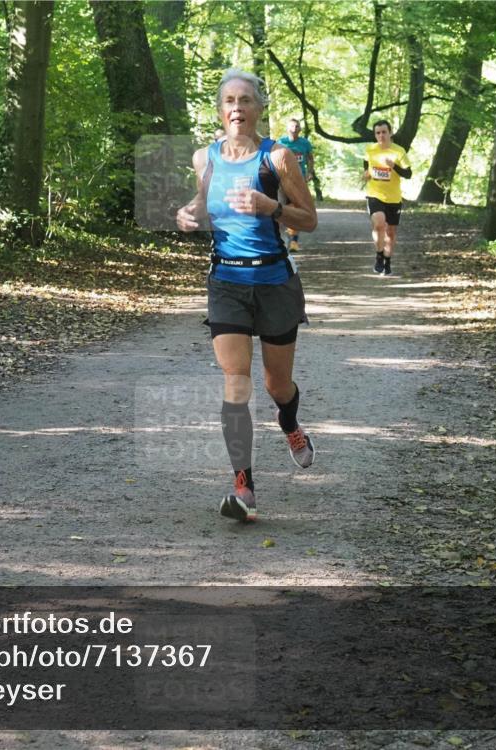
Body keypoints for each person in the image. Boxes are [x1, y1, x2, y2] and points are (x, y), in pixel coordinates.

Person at [176, 69, 317, 523]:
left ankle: (289, 423)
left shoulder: (278, 159)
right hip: (227, 283)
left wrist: (271, 206)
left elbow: (309, 220)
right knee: (236, 382)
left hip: (274, 282)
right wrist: (190, 213)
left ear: (259, 108)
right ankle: (244, 485)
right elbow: (203, 202)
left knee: (277, 385)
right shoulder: (206, 158)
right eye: (229, 101)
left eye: (246, 100)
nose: (237, 108)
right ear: (220, 110)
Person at [362, 119, 412, 275]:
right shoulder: (370, 150)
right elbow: (366, 165)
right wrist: (366, 174)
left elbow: (408, 174)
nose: (381, 135)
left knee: (390, 232)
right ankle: (378, 256)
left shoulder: (399, 151)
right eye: (378, 133)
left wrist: (394, 166)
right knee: (379, 224)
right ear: (375, 135)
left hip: (394, 198)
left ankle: (387, 261)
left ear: (390, 133)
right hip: (374, 194)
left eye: (384, 132)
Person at [277, 118, 316, 251]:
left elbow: (310, 158)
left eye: (297, 126)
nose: (295, 128)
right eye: (292, 126)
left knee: (297, 210)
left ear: (300, 129)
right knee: (280, 208)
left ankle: (294, 241)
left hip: (299, 181)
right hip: (282, 181)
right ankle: (281, 239)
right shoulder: (281, 142)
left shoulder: (305, 143)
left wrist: (310, 172)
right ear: (287, 128)